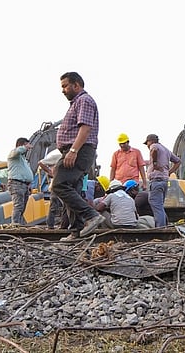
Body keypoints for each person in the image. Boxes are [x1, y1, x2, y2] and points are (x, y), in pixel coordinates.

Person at [52, 71, 101, 241]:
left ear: (76, 85)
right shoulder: (76, 103)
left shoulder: (84, 100)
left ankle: (91, 216)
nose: (63, 90)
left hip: (79, 150)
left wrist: (73, 150)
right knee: (71, 189)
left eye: (65, 86)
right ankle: (76, 232)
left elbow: (85, 128)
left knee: (59, 185)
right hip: (77, 149)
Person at [144, 133, 180, 228]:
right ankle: (164, 226)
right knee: (159, 206)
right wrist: (169, 172)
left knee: (156, 205)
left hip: (156, 180)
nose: (147, 146)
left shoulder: (154, 146)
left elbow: (154, 150)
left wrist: (155, 163)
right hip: (164, 181)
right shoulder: (166, 150)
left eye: (147, 143)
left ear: (150, 141)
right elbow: (178, 161)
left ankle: (160, 229)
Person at [7, 137, 34, 225]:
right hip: (16, 184)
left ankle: (20, 224)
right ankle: (15, 224)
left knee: (22, 207)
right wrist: (25, 147)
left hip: (24, 185)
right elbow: (18, 151)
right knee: (18, 205)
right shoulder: (13, 154)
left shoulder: (23, 159)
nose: (29, 148)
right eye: (27, 145)